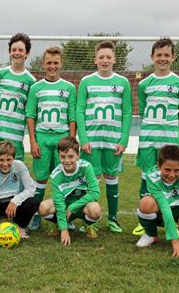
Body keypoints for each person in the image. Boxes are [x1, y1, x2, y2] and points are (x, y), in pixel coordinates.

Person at [133, 38, 179, 235]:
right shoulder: (144, 84)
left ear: (173, 57)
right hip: (148, 140)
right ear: (152, 57)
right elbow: (143, 112)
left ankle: (174, 215)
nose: (162, 58)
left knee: (172, 178)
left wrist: (176, 132)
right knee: (146, 177)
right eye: (159, 55)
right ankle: (144, 221)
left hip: (169, 140)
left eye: (166, 55)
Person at [76, 41, 132, 233]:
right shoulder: (86, 81)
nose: (105, 60)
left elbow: (126, 113)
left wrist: (124, 141)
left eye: (108, 57)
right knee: (92, 179)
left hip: (113, 141)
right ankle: (88, 220)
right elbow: (80, 110)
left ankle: (113, 219)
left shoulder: (123, 83)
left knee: (112, 176)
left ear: (114, 59)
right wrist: (83, 139)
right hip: (91, 141)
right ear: (95, 60)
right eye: (101, 57)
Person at [26, 46, 77, 231]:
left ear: (61, 63)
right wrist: (32, 141)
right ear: (43, 64)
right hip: (42, 138)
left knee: (63, 180)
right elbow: (30, 115)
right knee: (40, 179)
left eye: (56, 63)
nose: (52, 66)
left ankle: (64, 216)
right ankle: (36, 216)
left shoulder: (69, 87)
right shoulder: (36, 88)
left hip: (62, 139)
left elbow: (72, 116)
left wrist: (71, 141)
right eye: (49, 62)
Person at [38, 136, 102, 245]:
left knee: (95, 209)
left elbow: (95, 193)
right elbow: (58, 201)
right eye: (63, 157)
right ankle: (58, 224)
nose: (67, 161)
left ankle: (88, 224)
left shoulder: (86, 167)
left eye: (71, 156)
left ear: (78, 155)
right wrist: (64, 229)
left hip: (82, 206)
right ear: (59, 156)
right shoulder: (56, 175)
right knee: (42, 208)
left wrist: (73, 207)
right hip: (64, 206)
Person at [0, 33, 36, 163]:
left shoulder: (31, 81)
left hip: (14, 131)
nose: (16, 53)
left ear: (27, 53)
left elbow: (28, 109)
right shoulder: (0, 74)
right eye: (14, 50)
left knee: (13, 170)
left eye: (20, 50)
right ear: (9, 52)